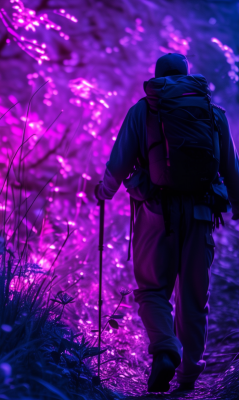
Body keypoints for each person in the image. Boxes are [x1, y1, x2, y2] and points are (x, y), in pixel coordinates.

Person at [94, 53, 239, 393]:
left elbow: (119, 160)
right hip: (202, 215)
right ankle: (188, 377)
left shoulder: (143, 111)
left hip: (155, 214)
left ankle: (165, 349)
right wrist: (238, 206)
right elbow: (231, 166)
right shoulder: (212, 114)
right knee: (193, 298)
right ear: (188, 76)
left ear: (157, 77)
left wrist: (105, 190)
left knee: (152, 290)